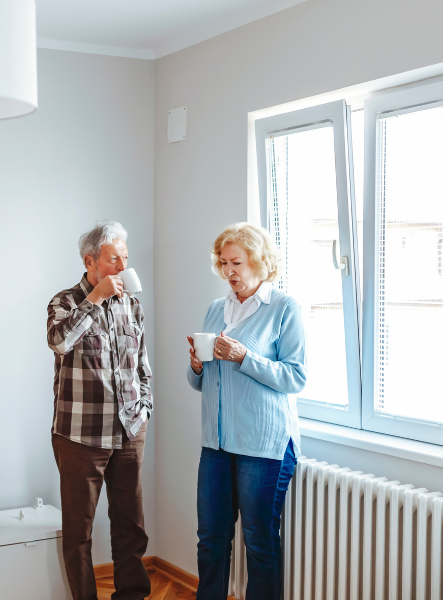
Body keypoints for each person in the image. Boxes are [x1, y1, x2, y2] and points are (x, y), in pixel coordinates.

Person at [187, 222, 306, 600]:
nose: (229, 272)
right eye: (223, 263)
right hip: (217, 444)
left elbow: (295, 377)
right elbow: (201, 385)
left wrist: (244, 357)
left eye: (236, 262)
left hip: (264, 446)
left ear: (259, 260)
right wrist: (196, 367)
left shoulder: (284, 308)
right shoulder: (214, 310)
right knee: (211, 542)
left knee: (259, 544)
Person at [47, 220, 153, 600]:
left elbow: (141, 362)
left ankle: (132, 596)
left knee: (131, 525)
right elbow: (59, 343)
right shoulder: (64, 302)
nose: (122, 267)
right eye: (113, 259)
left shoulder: (132, 304)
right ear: (90, 261)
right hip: (80, 437)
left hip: (128, 431)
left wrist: (144, 409)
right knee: (79, 531)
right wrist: (94, 300)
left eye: (125, 258)